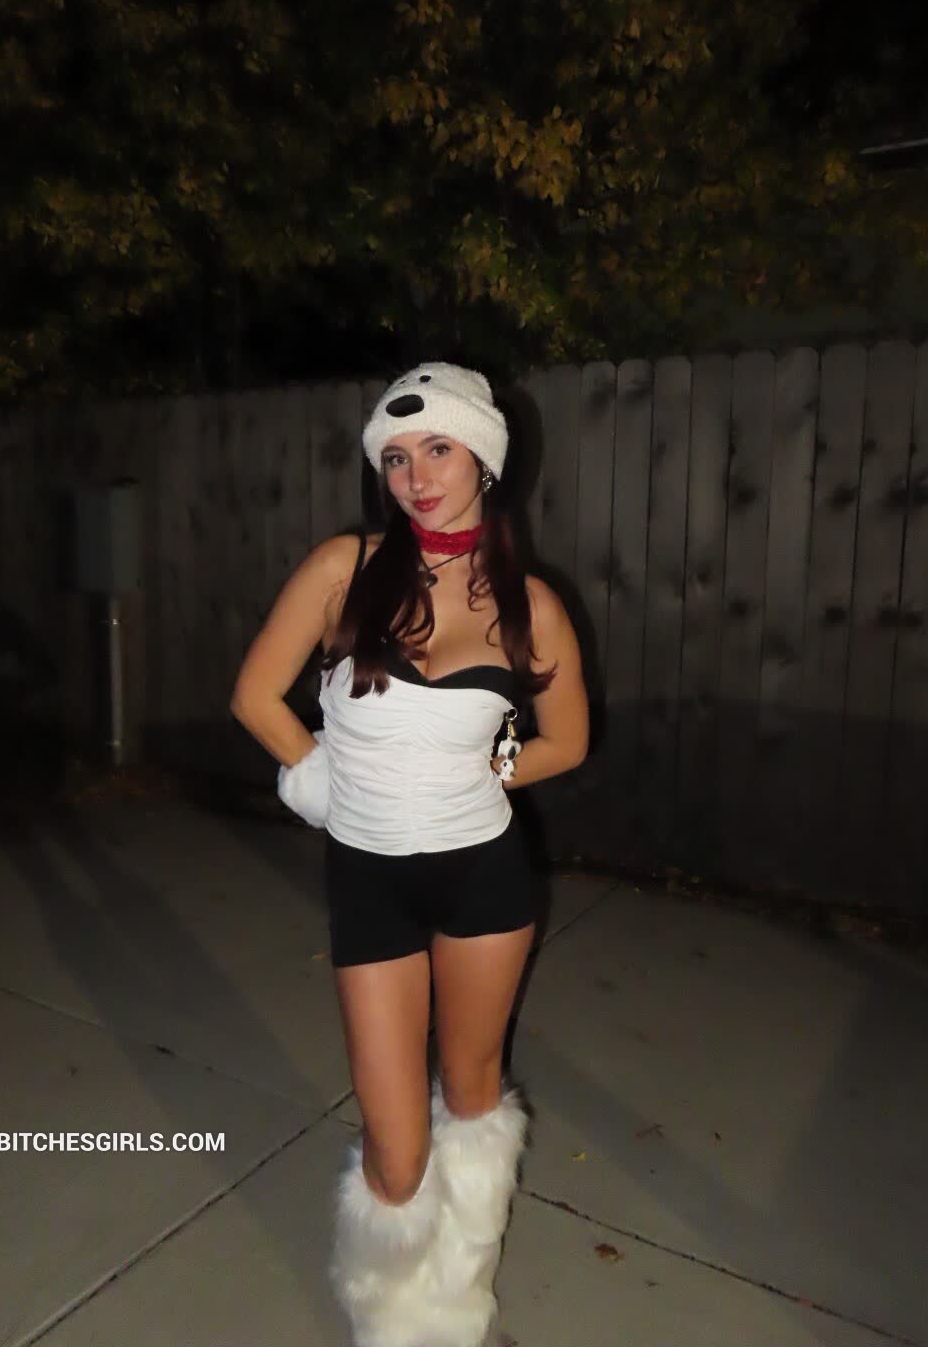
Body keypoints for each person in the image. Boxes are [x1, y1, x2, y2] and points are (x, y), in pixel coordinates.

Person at [230, 362, 588, 1347]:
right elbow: (256, 697)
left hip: (484, 880)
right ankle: (392, 1322)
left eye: (437, 448)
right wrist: (318, 778)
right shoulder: (344, 568)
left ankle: (459, 1306)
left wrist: (486, 771)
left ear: (485, 457)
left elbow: (567, 741)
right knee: (396, 1154)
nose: (416, 476)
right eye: (394, 457)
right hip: (370, 881)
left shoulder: (530, 605)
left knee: (471, 1097)